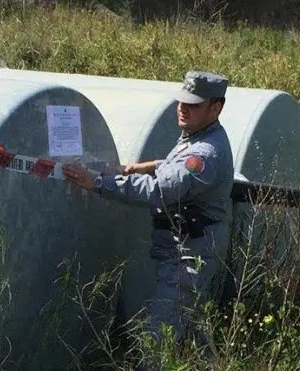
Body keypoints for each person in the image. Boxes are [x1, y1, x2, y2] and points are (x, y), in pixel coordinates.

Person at [62, 71, 235, 365]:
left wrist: (97, 182)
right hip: (189, 245)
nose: (183, 108)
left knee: (159, 334)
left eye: (193, 104)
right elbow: (175, 167)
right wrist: (150, 166)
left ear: (215, 108)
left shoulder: (206, 153)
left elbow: (160, 191)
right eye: (181, 101)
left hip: (190, 253)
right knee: (190, 323)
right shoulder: (198, 137)